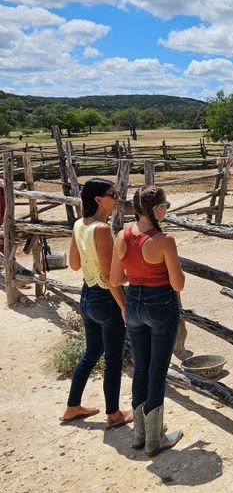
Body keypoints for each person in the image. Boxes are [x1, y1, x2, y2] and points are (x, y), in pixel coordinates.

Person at [110, 186, 184, 456]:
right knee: (157, 371)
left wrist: (124, 307)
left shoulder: (123, 236)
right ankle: (155, 438)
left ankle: (139, 434)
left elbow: (115, 280)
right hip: (160, 305)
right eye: (165, 205)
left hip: (134, 305)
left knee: (140, 368)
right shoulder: (165, 240)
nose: (166, 209)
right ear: (154, 210)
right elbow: (177, 284)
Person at [60, 178, 132, 429]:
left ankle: (72, 406)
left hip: (87, 295)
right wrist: (123, 305)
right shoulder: (102, 229)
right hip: (105, 298)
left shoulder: (79, 224)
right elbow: (110, 276)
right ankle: (113, 413)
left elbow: (74, 264)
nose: (118, 199)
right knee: (113, 358)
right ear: (99, 199)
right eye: (113, 195)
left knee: (91, 353)